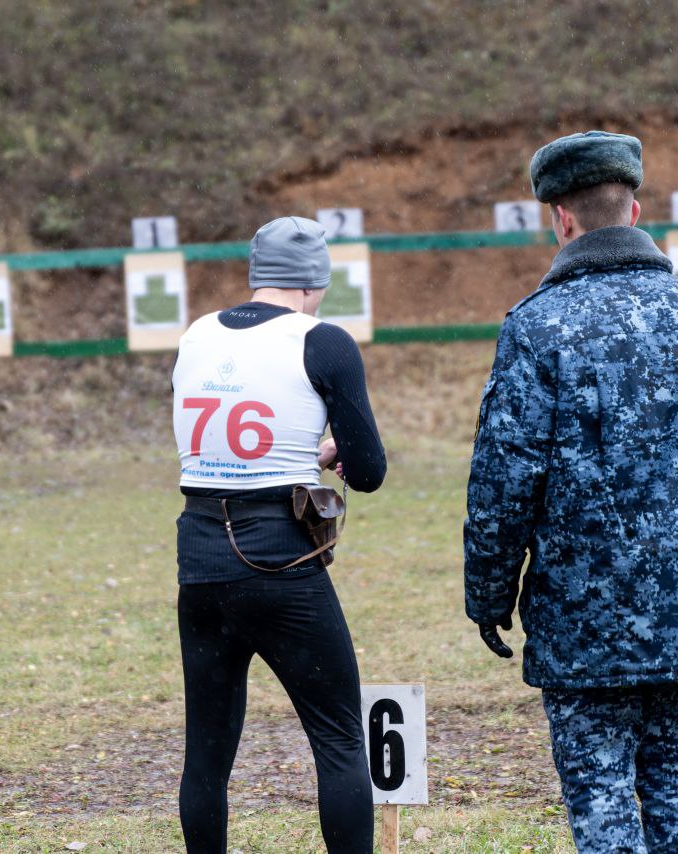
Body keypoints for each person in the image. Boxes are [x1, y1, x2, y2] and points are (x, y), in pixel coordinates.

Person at [463, 131, 678, 853]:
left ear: (562, 219)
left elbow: (503, 486)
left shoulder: (536, 328)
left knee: (601, 799)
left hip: (584, 617)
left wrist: (487, 596)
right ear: (633, 209)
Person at [171, 216, 386, 853]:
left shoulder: (197, 334)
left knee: (206, 753)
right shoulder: (323, 341)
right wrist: (328, 452)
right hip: (281, 564)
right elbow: (368, 471)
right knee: (340, 739)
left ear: (257, 273)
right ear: (316, 281)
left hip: (200, 559)